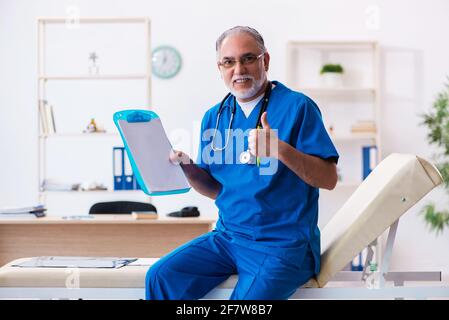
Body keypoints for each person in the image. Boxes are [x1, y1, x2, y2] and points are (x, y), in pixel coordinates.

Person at [145, 26, 339, 300]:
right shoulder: (214, 117)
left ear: (266, 60)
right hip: (228, 238)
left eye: (248, 58)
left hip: (283, 245)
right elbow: (218, 189)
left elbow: (329, 179)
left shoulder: (298, 107)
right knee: (161, 277)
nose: (239, 69)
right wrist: (188, 167)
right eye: (229, 62)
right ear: (220, 68)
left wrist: (280, 149)